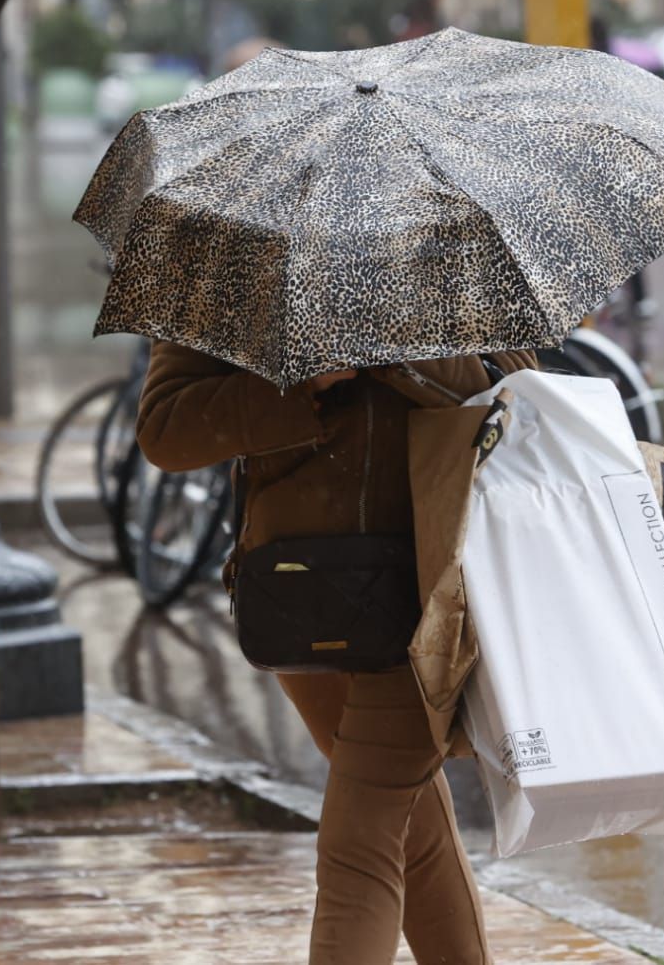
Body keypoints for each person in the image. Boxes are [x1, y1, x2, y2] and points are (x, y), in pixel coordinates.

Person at [137, 345, 536, 964]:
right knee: (410, 827)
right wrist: (300, 384)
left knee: (360, 839)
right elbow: (166, 431)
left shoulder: (442, 251)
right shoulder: (242, 254)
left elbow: (513, 392)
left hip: (423, 591)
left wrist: (401, 351)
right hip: (295, 592)